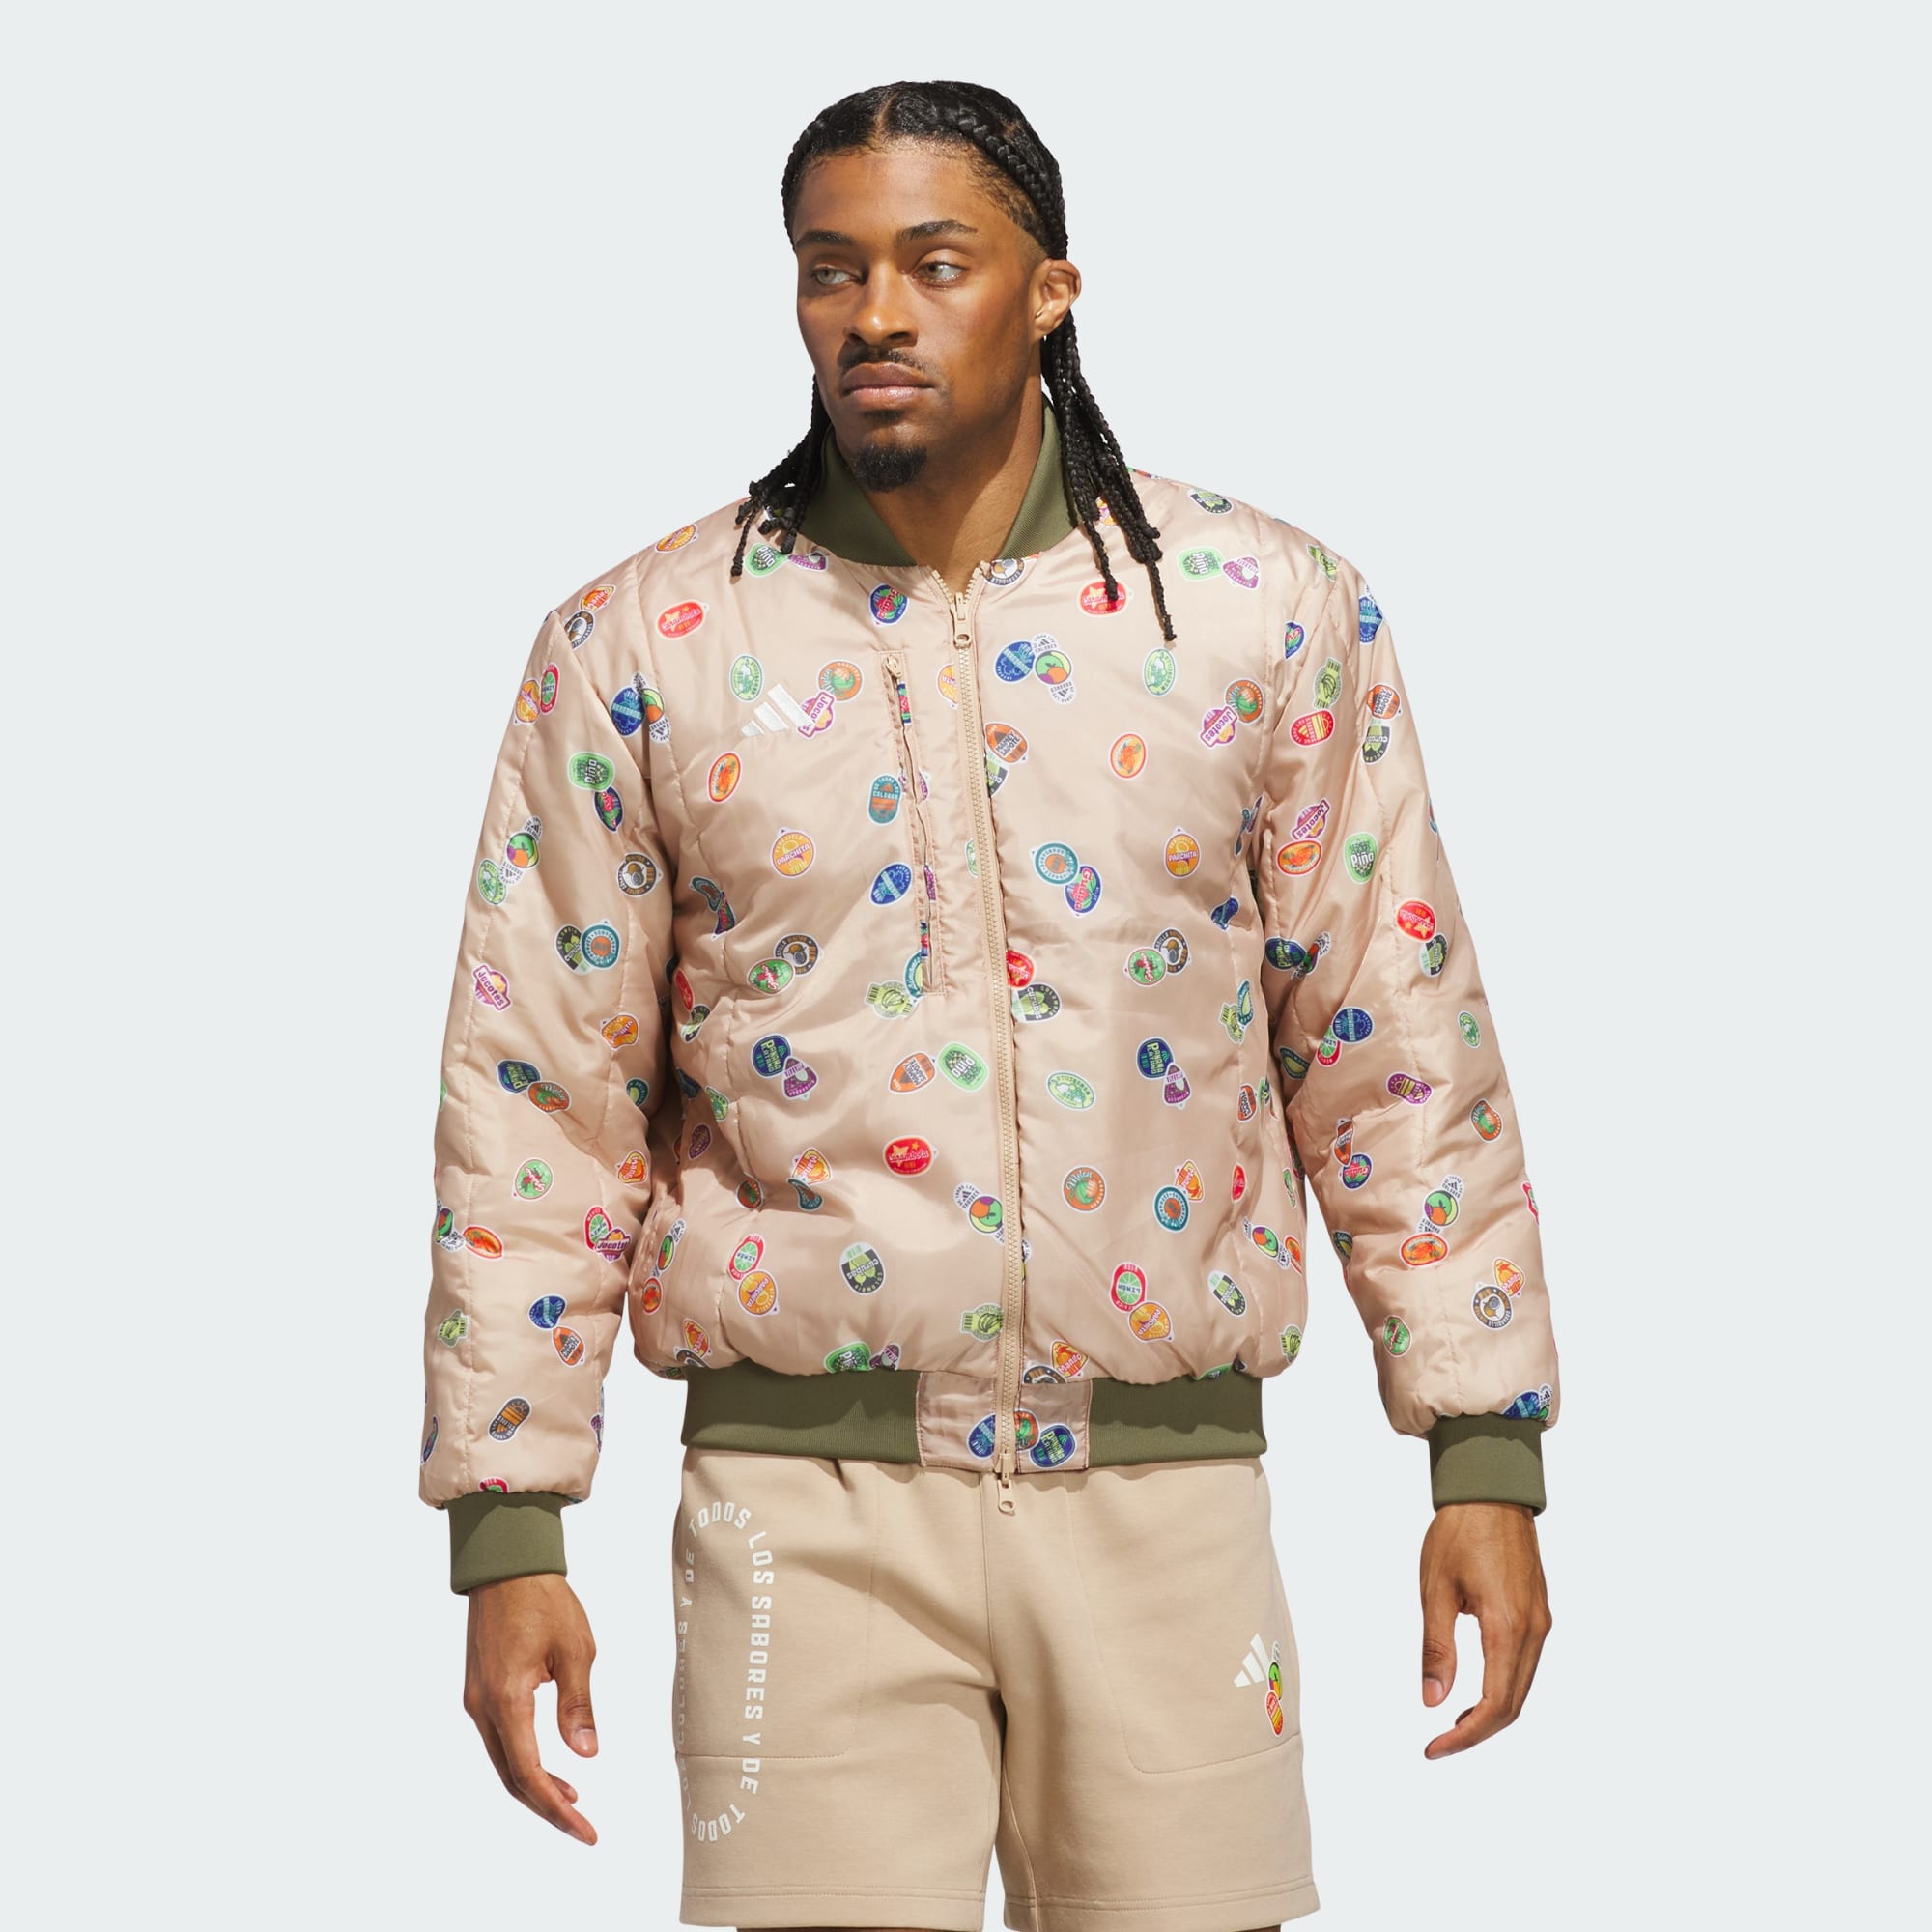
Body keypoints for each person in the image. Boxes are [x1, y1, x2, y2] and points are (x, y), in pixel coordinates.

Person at [419, 76, 1559, 1932]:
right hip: (802, 1519)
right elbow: (541, 1091)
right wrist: (508, 1521)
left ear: (1049, 291)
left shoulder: (1259, 613)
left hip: (1166, 1514)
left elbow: (1390, 1037)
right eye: (831, 268)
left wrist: (1481, 1453)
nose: (875, 312)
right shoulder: (643, 647)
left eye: (934, 263)